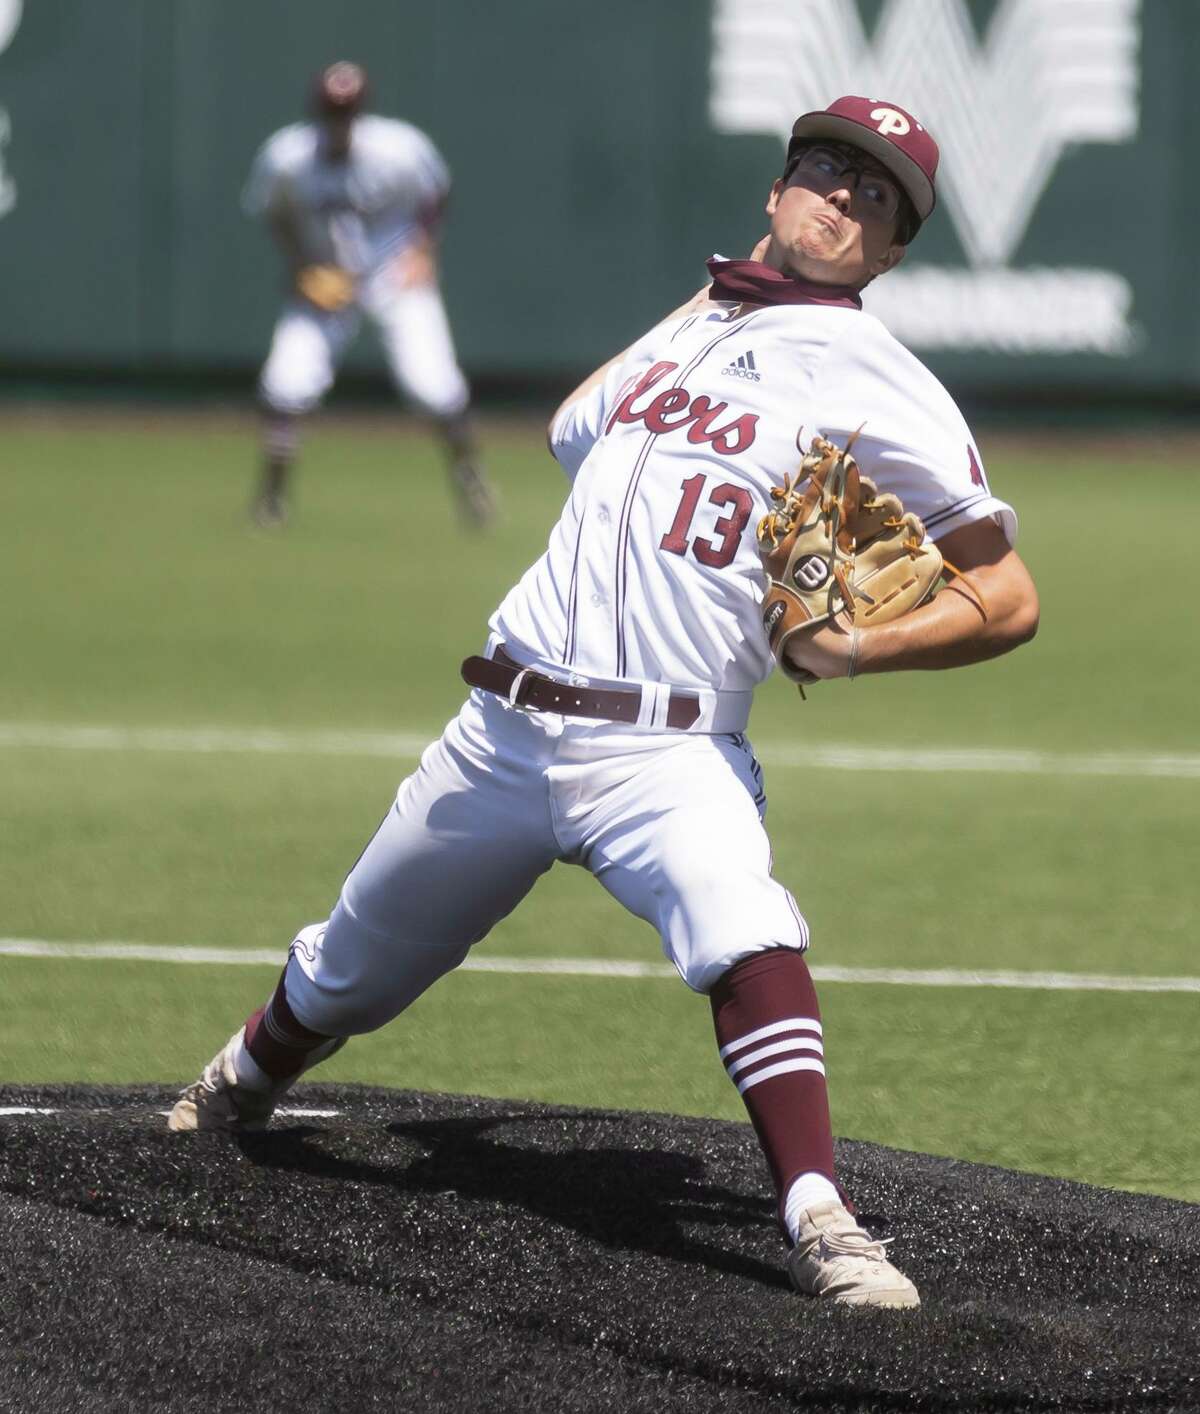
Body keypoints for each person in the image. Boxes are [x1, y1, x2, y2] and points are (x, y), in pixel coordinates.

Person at [172, 96, 1039, 1309]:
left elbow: (1006, 598)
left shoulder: (879, 377)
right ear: (778, 190)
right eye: (827, 170)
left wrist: (860, 646)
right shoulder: (695, 328)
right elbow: (572, 428)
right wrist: (714, 298)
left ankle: (821, 1216)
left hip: (668, 748)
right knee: (342, 975)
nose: (843, 196)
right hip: (504, 731)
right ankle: (238, 1083)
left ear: (893, 251)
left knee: (744, 923)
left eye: (876, 195)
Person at [242, 60, 495, 527]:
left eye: (348, 111)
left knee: (432, 383)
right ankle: (271, 500)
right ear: (317, 111)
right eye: (332, 111)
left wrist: (422, 254)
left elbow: (436, 196)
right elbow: (272, 213)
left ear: (362, 111)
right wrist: (301, 266)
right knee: (286, 380)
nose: (340, 120)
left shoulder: (399, 147)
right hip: (327, 277)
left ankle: (471, 482)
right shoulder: (287, 156)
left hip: (391, 273)